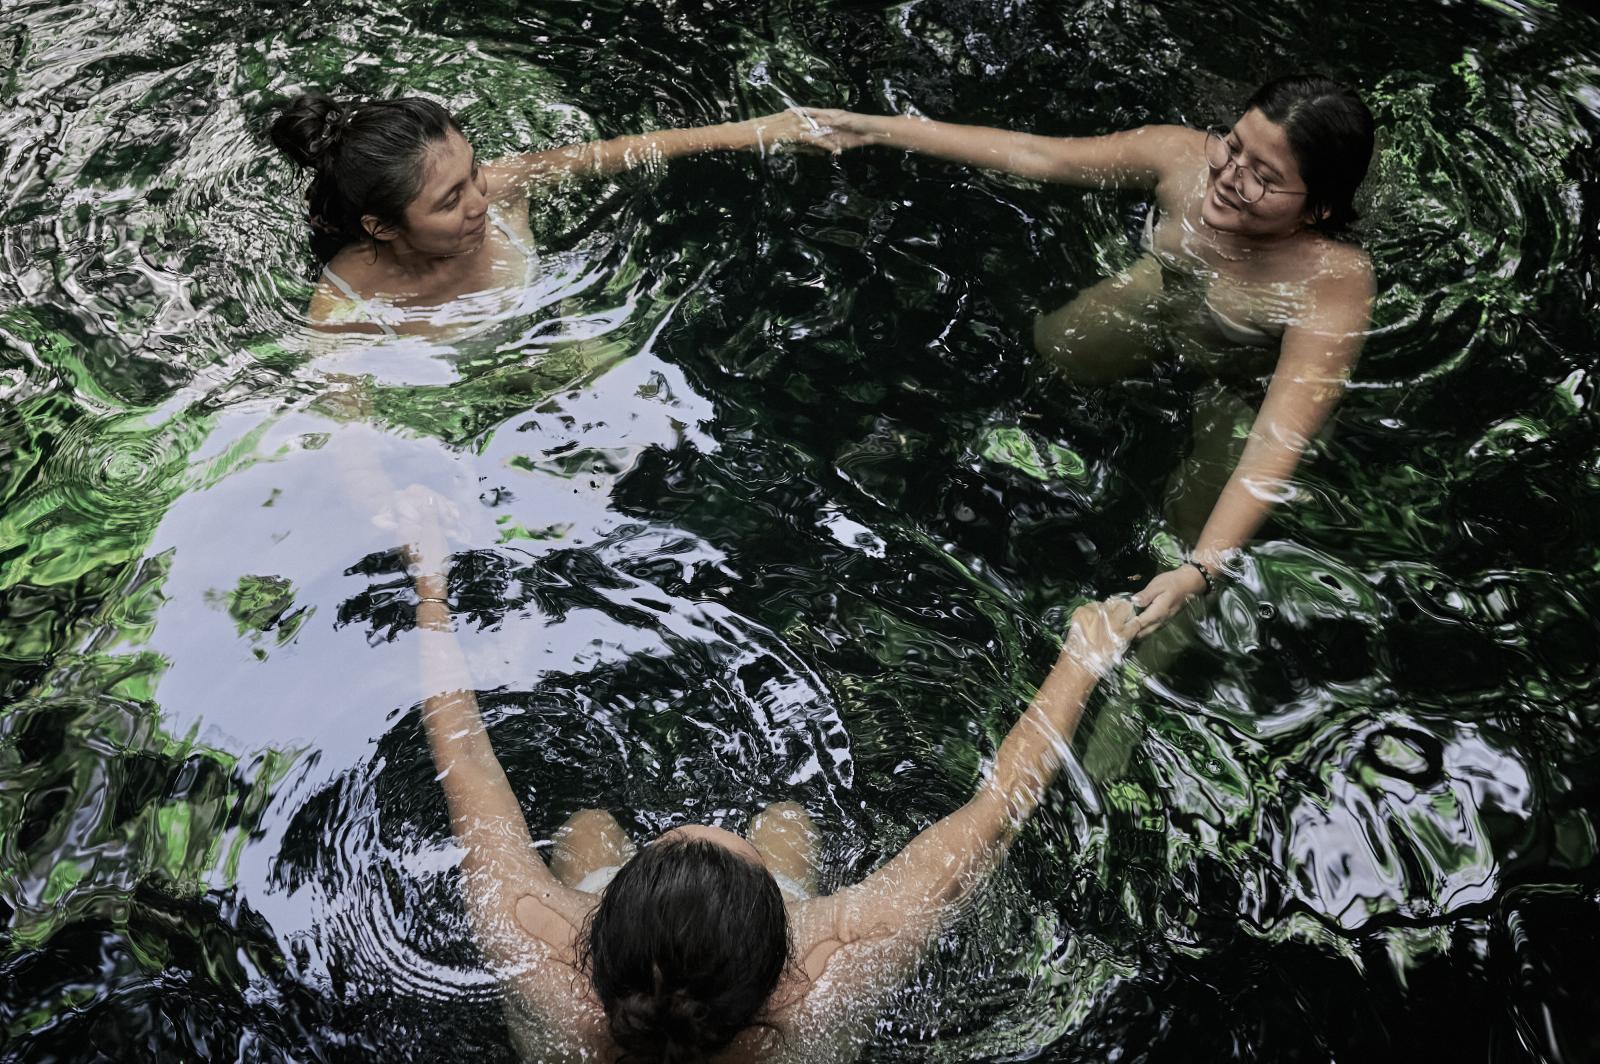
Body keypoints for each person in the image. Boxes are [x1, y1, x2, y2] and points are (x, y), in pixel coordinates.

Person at [392, 484, 1137, 1062]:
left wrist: (430, 583)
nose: (701, 826)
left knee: (588, 830)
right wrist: (1080, 661)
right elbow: (998, 808)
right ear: (781, 962)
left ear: (595, 937)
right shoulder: (834, 967)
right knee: (788, 823)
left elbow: (464, 754)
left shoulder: (539, 946)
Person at [801, 75, 1376, 636]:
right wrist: (873, 129)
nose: (1228, 178)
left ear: (1317, 210)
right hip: (1171, 294)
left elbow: (1277, 442)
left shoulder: (1331, 281)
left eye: (1263, 177)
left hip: (1244, 385)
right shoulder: (1182, 162)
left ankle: (1127, 688)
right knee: (1057, 348)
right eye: (1232, 146)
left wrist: (1201, 570)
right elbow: (1034, 154)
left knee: (1184, 552)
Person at [269, 93, 835, 338]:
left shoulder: (502, 186)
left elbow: (624, 151)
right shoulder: (346, 303)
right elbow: (351, 434)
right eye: (450, 200)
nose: (480, 202)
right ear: (383, 227)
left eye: (474, 172)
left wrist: (756, 132)